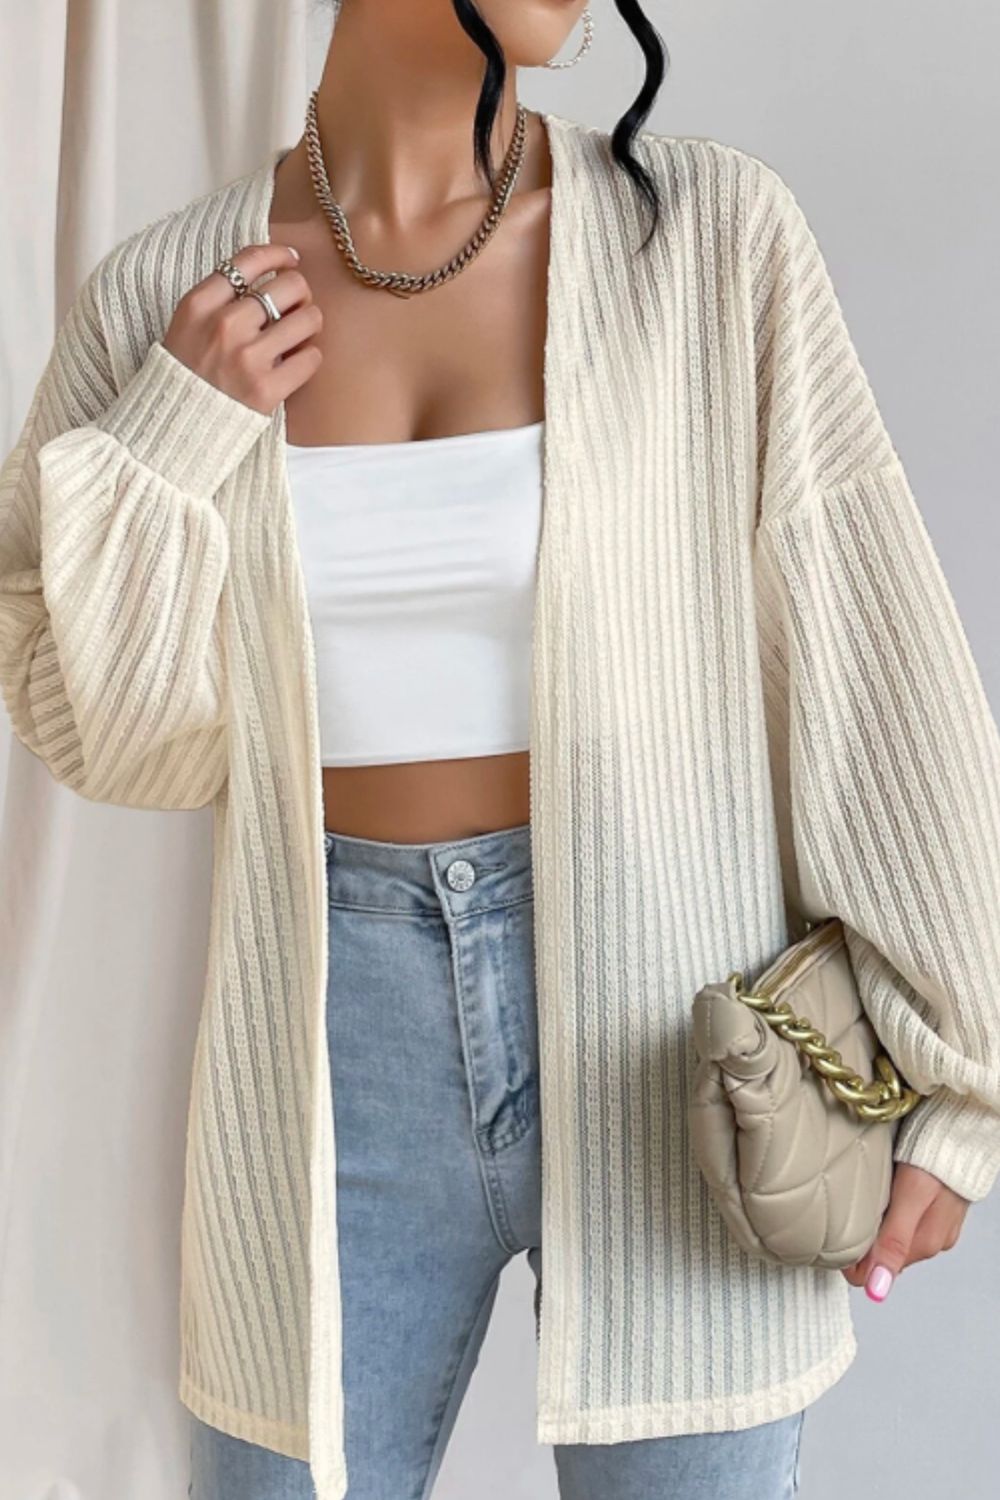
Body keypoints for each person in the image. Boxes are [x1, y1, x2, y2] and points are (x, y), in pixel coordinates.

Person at [3, 3, 999, 1498]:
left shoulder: (708, 236)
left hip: (682, 1029)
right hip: (331, 1039)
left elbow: (876, 654)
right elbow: (102, 731)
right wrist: (172, 431)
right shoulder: (169, 294)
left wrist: (962, 1078)